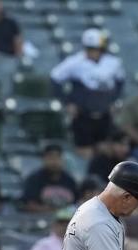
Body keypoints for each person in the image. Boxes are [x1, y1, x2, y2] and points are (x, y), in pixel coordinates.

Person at [51, 28, 125, 159]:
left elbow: (120, 82)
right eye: (90, 49)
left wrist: (114, 101)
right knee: (84, 152)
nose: (93, 52)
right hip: (83, 115)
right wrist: (67, 103)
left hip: (104, 114)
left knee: (105, 151)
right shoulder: (74, 62)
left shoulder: (112, 62)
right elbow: (55, 78)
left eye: (96, 49)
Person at [21, 144, 78, 213]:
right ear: (44, 159)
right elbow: (29, 205)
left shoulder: (70, 180)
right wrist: (54, 211)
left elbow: (77, 204)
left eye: (57, 157)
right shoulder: (34, 179)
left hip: (66, 220)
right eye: (50, 158)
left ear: (62, 160)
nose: (54, 161)